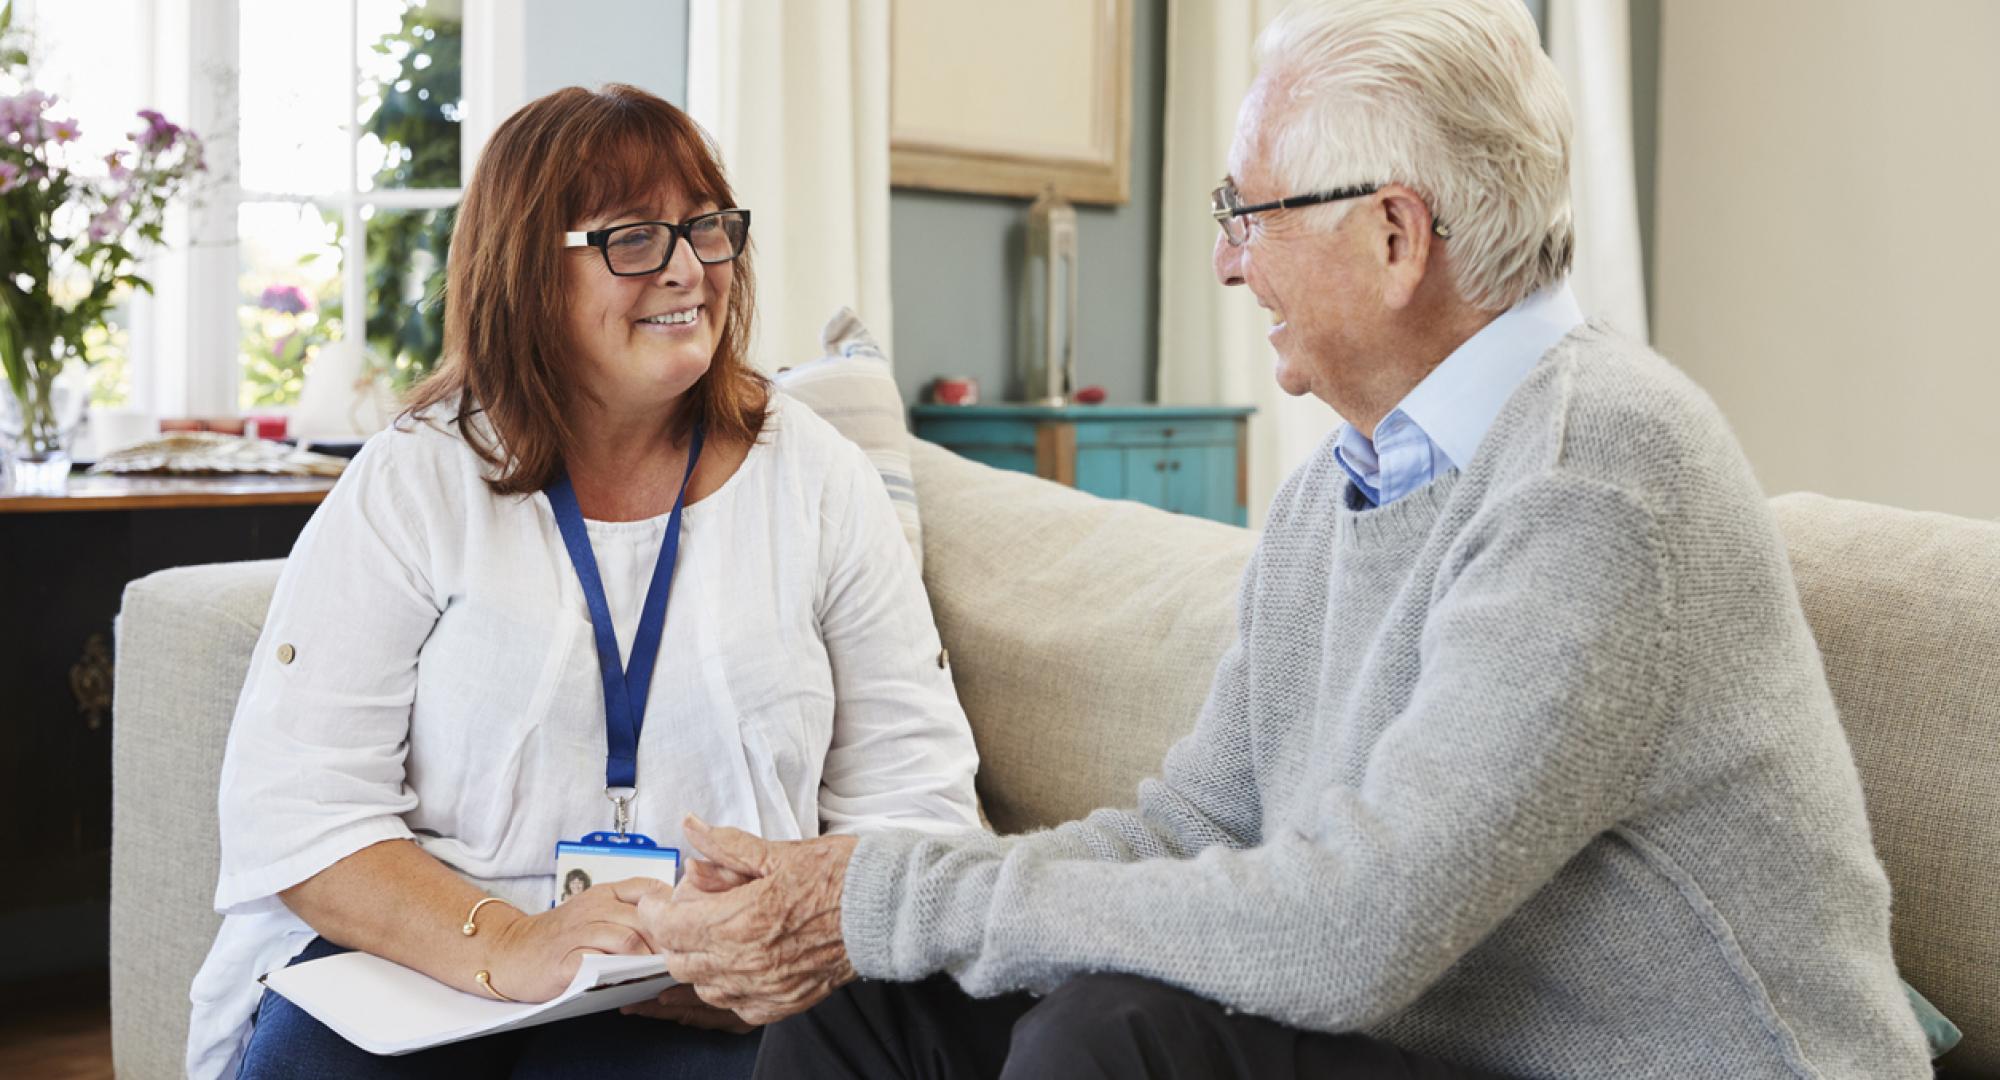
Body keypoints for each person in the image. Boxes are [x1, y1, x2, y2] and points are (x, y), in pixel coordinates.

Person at [634, 2, 1937, 1077]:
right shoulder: (1345, 488)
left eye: (1245, 212)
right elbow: (1191, 828)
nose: (1222, 264)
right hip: (1438, 1041)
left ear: (1392, 234)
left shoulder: (1600, 472)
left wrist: (877, 900)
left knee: (1110, 1041)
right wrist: (865, 898)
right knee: (861, 1011)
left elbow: (1351, 931)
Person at [185, 83, 981, 1080]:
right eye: (634, 238)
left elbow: (919, 802)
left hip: (720, 1003)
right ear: (526, 270)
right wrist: (514, 944)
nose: (689, 267)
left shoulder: (814, 476)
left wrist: (787, 942)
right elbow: (297, 811)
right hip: (435, 968)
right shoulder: (415, 478)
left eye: (705, 229)